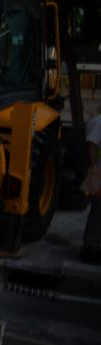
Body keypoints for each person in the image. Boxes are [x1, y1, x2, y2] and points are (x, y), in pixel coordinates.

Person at [82, 109, 101, 265]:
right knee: (97, 212)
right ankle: (90, 247)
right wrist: (94, 168)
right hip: (99, 176)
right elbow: (91, 145)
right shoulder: (99, 123)